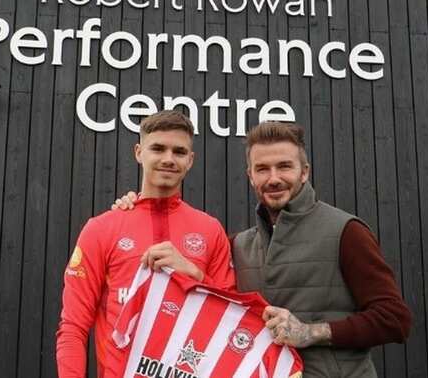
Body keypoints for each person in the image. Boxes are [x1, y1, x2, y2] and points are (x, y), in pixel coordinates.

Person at [114, 121, 411, 378]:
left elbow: (394, 319)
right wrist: (135, 207)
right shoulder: (238, 245)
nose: (274, 178)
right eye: (262, 169)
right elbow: (211, 302)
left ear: (304, 172)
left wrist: (311, 332)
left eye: (284, 166)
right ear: (250, 176)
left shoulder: (346, 231)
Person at [55, 110, 235, 378]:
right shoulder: (101, 228)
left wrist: (194, 275)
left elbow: (230, 320)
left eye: (179, 152)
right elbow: (73, 327)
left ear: (191, 160)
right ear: (139, 152)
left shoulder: (210, 230)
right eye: (158, 148)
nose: (168, 159)